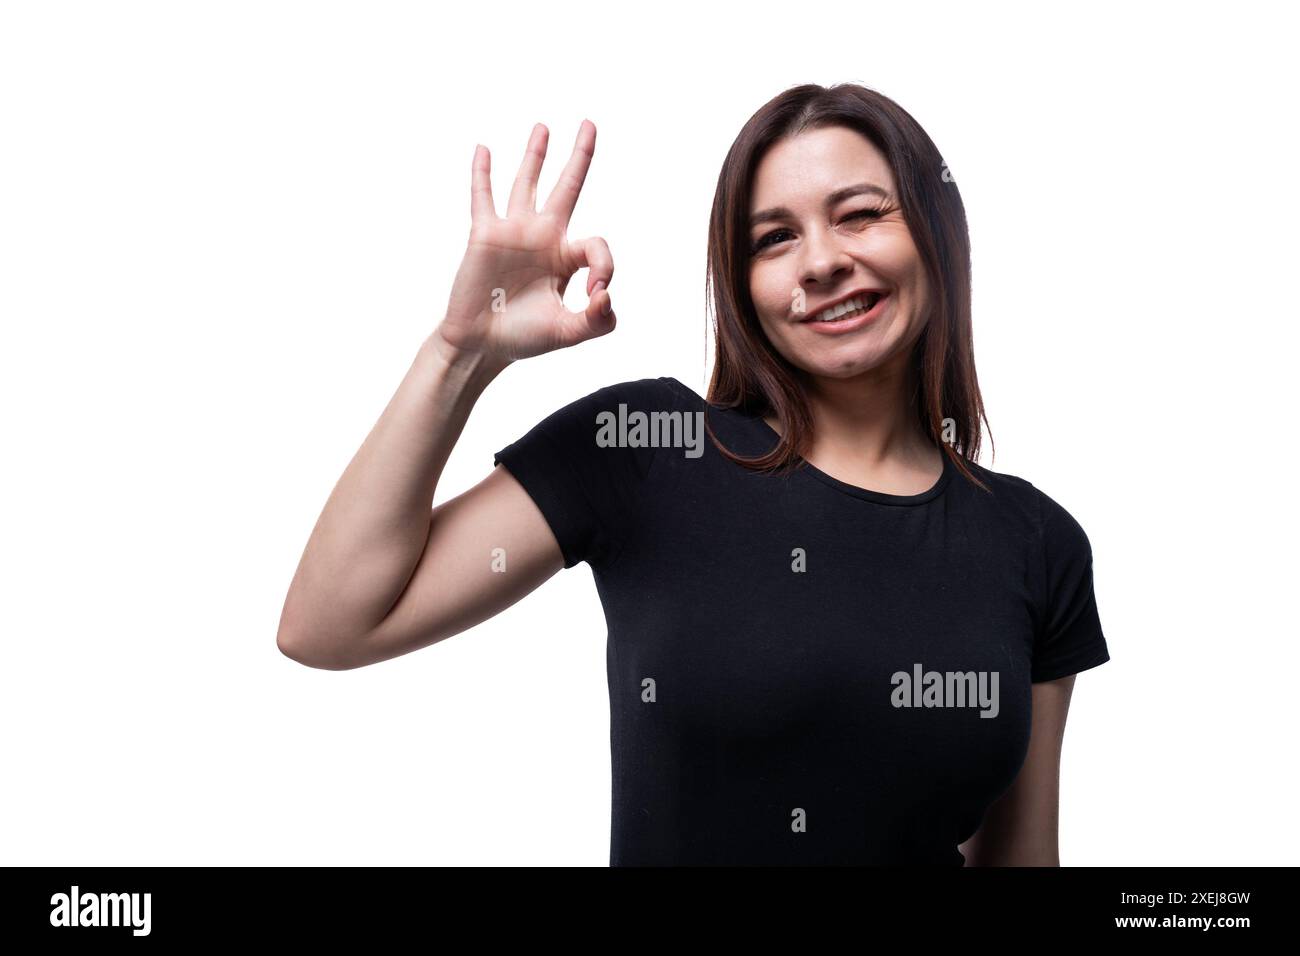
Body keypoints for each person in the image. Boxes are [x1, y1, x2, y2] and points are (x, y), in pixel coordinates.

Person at [276, 83, 1111, 866]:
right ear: (742, 286)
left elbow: (1022, 858)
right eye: (774, 239)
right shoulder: (648, 448)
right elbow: (329, 625)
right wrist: (462, 352)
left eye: (859, 215)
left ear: (935, 231)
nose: (819, 262)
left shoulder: (1037, 543)